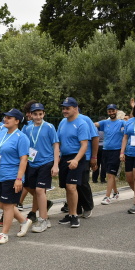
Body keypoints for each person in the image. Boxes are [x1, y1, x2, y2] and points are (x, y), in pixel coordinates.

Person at [0, 109, 33, 244]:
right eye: (5, 117)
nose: (5, 119)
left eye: (9, 117)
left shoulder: (21, 138)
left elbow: (24, 160)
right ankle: (24, 221)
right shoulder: (2, 133)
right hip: (0, 174)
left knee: (8, 205)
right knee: (2, 204)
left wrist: (19, 179)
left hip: (12, 176)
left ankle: (4, 233)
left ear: (17, 121)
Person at [23, 103, 59, 233]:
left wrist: (55, 165)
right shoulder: (27, 128)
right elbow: (22, 143)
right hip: (32, 163)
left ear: (43, 114)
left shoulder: (49, 127)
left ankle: (42, 219)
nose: (38, 117)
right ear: (30, 115)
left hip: (46, 161)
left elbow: (56, 146)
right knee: (37, 191)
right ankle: (45, 218)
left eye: (40, 114)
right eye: (35, 114)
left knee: (39, 190)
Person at [56, 97, 89, 228]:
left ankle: (75, 215)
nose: (65, 110)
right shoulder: (62, 122)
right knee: (67, 187)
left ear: (75, 108)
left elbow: (84, 145)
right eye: (63, 108)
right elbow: (58, 141)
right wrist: (57, 155)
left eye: (67, 108)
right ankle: (70, 214)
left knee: (72, 186)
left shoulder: (81, 123)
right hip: (64, 158)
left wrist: (76, 159)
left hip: (77, 158)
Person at [97, 105, 125, 205]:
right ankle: (116, 192)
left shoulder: (122, 123)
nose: (111, 112)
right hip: (105, 151)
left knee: (110, 175)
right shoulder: (105, 122)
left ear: (116, 111)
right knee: (110, 174)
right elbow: (94, 124)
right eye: (109, 111)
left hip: (116, 151)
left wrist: (123, 152)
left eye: (113, 110)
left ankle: (107, 197)